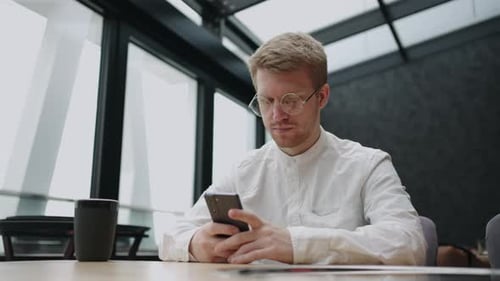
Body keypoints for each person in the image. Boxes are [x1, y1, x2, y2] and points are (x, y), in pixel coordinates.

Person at [159, 32, 426, 265]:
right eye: (266, 101)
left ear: (321, 97)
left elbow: (408, 243)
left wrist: (295, 243)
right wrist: (196, 243)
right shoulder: (244, 171)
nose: (276, 115)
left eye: (291, 100)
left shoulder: (368, 165)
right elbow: (171, 236)